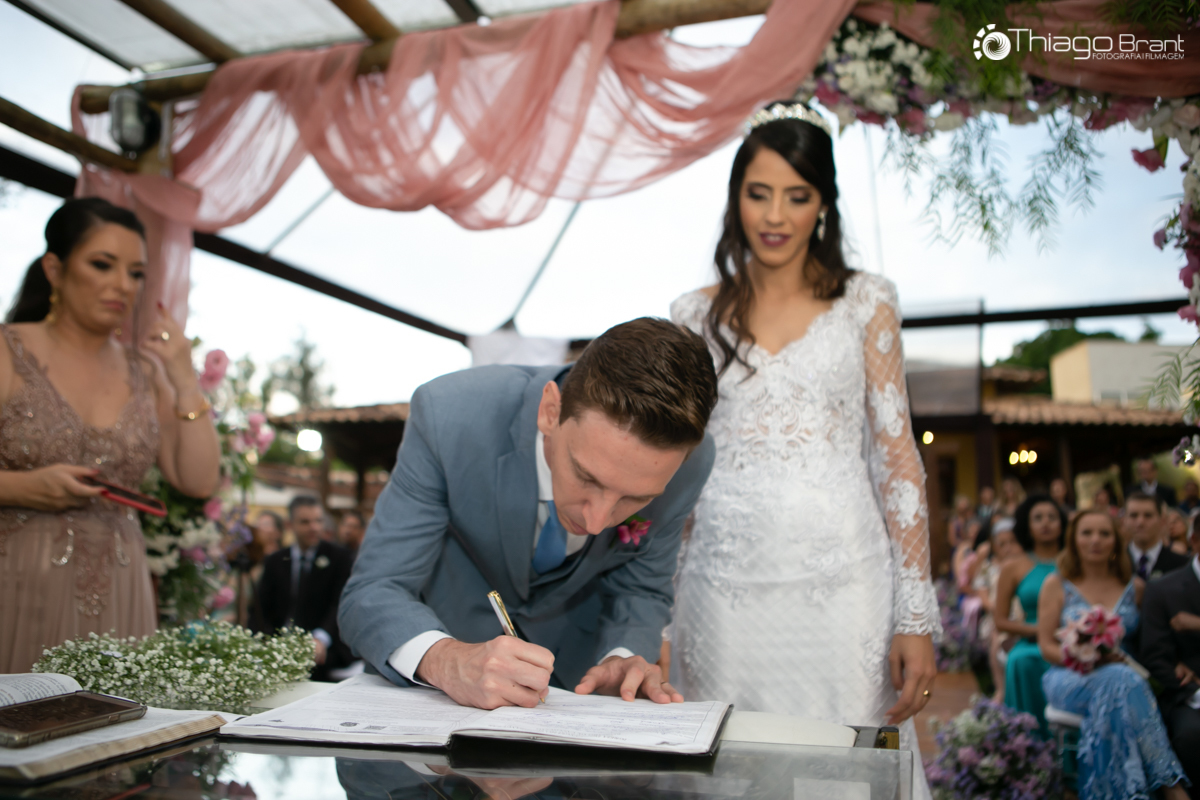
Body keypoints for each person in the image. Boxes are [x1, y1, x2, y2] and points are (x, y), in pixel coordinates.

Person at [666, 101, 939, 797]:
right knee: (728, 769)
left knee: (842, 771)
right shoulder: (692, 314)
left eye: (797, 196)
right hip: (721, 592)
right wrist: (661, 613)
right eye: (758, 193)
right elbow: (678, 469)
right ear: (736, 199)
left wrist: (914, 616)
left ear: (823, 205)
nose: (775, 215)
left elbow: (896, 458)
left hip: (844, 589)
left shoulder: (867, 302)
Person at [338, 318, 718, 708]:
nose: (596, 523)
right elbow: (372, 591)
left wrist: (622, 657)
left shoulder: (689, 462)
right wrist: (447, 661)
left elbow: (641, 587)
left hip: (576, 700)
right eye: (586, 476)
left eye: (635, 499)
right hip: (434, 699)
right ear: (551, 411)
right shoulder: (449, 414)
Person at [0, 198, 220, 673]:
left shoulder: (145, 373)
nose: (123, 285)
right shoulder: (7, 350)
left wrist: (184, 379)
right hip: (16, 582)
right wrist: (22, 487)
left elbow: (199, 480)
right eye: (102, 265)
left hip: (122, 590)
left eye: (136, 273)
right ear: (55, 269)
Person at [1039, 509, 1189, 800]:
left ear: (1116, 542)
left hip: (1124, 677)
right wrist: (1088, 659)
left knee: (1118, 683)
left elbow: (1153, 642)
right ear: (1073, 540)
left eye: (1104, 534)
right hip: (1069, 677)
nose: (1095, 540)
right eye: (1087, 533)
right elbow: (1046, 646)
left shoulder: (1137, 588)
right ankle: (1171, 785)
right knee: (1122, 680)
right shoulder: (1056, 584)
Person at [254, 495, 355, 681]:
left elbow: (340, 603)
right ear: (290, 525)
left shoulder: (339, 558)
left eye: (318, 521)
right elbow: (261, 608)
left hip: (326, 654)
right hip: (279, 650)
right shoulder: (275, 561)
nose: (314, 527)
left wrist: (321, 638)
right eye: (305, 522)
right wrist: (267, 643)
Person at [993, 495, 1066, 735]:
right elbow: (1000, 621)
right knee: (1020, 660)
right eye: (1038, 518)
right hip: (1031, 640)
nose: (1045, 523)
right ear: (1027, 525)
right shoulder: (1014, 567)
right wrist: (1040, 630)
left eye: (1052, 517)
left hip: (1072, 637)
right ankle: (1028, 743)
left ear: (1062, 524)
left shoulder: (1075, 562)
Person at [1140, 515, 1200, 799]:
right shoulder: (1163, 589)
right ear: (1195, 541)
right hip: (1191, 694)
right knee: (1191, 734)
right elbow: (1155, 656)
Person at [1126, 491, 1190, 582]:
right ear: (1125, 520)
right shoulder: (1112, 565)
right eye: (1133, 515)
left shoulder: (1183, 565)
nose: (1140, 522)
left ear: (1162, 521)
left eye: (1148, 515)